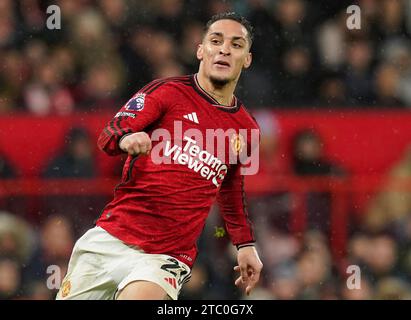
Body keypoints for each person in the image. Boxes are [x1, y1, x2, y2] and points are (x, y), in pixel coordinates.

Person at [57, 12, 263, 300]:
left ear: (247, 58)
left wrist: (245, 244)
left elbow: (230, 188)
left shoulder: (247, 128)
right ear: (201, 51)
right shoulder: (167, 92)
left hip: (166, 256)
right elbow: (110, 133)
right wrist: (128, 138)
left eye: (236, 44)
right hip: (112, 238)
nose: (225, 49)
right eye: (216, 41)